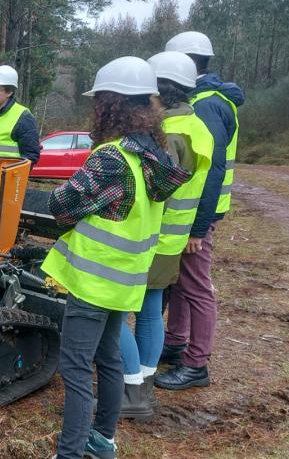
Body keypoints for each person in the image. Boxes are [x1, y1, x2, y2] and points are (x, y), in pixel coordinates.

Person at [41, 57, 189, 459]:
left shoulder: (111, 158)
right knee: (108, 358)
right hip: (125, 282)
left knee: (75, 368)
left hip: (93, 283)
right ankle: (103, 440)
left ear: (111, 103)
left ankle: (70, 453)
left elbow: (61, 205)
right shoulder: (155, 154)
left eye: (99, 100)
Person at [118, 51, 212, 419]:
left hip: (148, 236)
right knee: (149, 313)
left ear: (160, 91)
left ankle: (132, 391)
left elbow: (151, 187)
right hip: (170, 238)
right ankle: (143, 385)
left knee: (115, 314)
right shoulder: (196, 127)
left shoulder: (169, 134)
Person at [156, 31, 245, 390]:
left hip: (195, 215)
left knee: (195, 286)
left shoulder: (207, 105)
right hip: (194, 212)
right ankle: (176, 342)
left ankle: (196, 364)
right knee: (180, 282)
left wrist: (197, 228)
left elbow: (212, 170)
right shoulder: (206, 99)